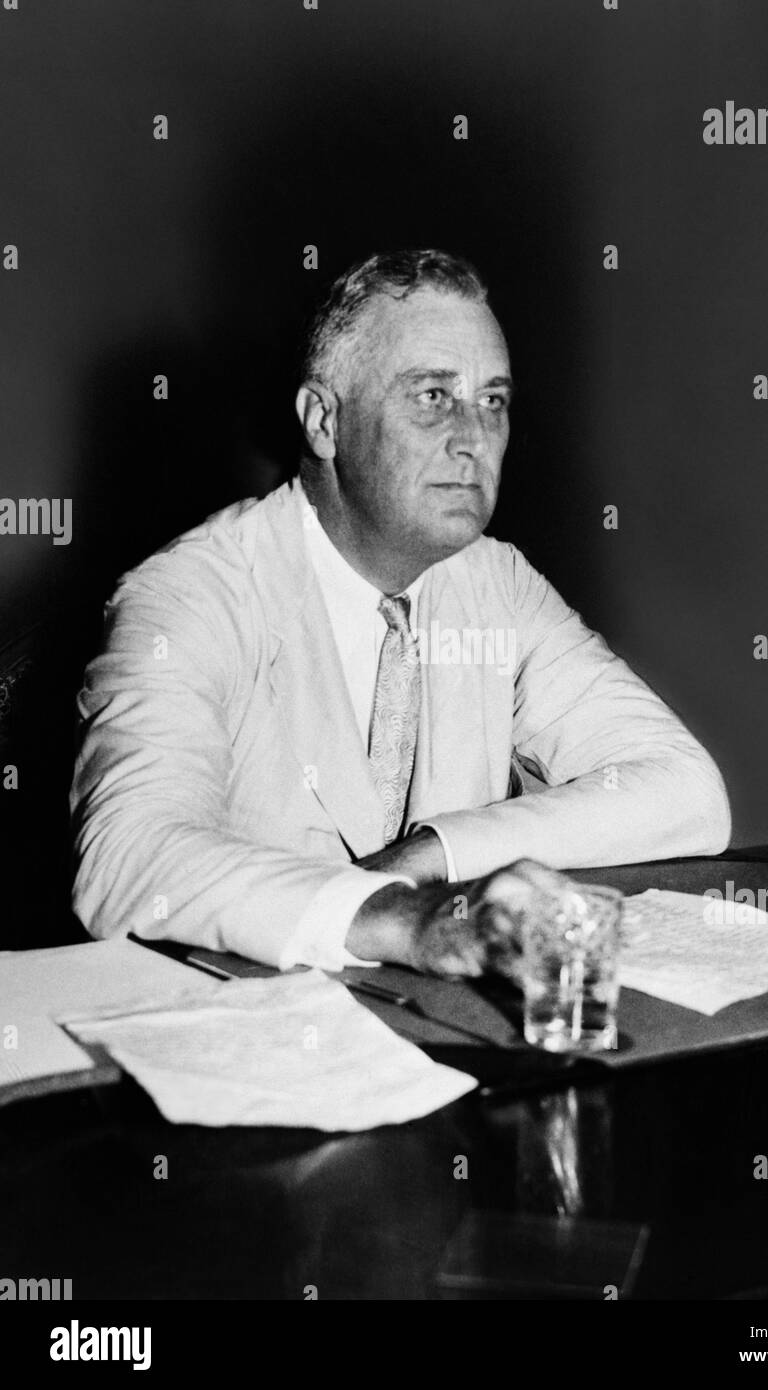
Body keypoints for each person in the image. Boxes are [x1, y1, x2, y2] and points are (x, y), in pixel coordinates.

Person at [70, 249, 731, 980]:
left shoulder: (498, 584)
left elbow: (687, 790)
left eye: (493, 402)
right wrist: (404, 918)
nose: (473, 439)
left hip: (436, 1043)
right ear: (323, 421)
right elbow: (125, 859)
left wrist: (433, 854)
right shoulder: (189, 593)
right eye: (432, 397)